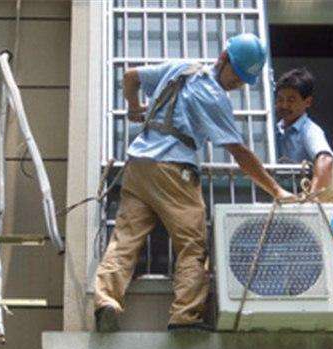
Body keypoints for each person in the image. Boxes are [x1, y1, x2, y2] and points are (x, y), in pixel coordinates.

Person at [94, 33, 293, 332]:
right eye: (236, 77)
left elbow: (130, 77)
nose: (237, 85)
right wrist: (276, 189)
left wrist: (134, 108)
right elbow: (240, 152)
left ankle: (106, 301)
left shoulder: (181, 68)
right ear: (223, 58)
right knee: (192, 245)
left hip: (138, 166)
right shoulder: (214, 97)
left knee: (125, 239)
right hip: (174, 172)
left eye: (242, 82)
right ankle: (185, 316)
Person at [275, 68, 333, 194]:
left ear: (307, 102)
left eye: (291, 100)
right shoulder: (273, 130)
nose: (284, 105)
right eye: (280, 99)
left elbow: (325, 160)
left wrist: (312, 197)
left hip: (300, 198)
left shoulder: (309, 130)